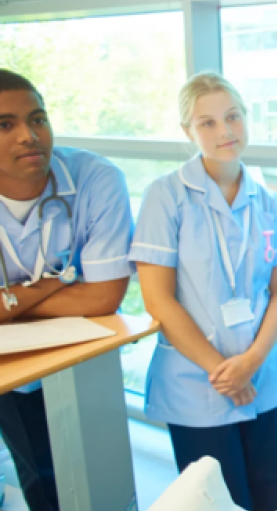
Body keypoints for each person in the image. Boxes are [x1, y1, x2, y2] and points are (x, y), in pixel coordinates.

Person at [130, 72, 277, 511]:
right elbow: (159, 300)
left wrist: (253, 362)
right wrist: (225, 372)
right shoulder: (165, 197)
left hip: (263, 374)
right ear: (187, 131)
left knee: (265, 496)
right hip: (198, 383)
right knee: (215, 502)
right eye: (207, 123)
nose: (226, 131)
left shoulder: (267, 200)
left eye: (233, 116)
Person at [0, 69, 133, 511]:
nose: (28, 136)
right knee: (38, 478)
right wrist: (57, 282)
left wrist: (12, 301)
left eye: (38, 119)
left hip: (79, 358)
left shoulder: (96, 179)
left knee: (96, 479)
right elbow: (87, 292)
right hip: (8, 369)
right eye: (5, 125)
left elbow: (104, 298)